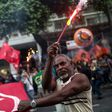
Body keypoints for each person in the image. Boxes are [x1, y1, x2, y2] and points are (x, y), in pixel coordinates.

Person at [17, 42, 93, 112]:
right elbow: (45, 86)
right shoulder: (57, 82)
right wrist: (50, 58)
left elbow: (61, 95)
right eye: (56, 66)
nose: (59, 67)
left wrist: (32, 103)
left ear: (72, 64)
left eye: (63, 64)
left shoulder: (80, 78)